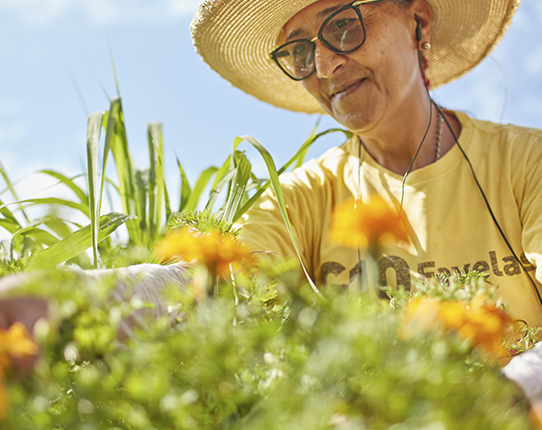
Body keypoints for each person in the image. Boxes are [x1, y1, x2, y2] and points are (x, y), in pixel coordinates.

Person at [190, 0, 542, 328]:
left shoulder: (526, 161)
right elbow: (217, 275)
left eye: (343, 26)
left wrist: (518, 384)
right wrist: (143, 289)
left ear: (418, 22)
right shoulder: (299, 199)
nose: (325, 66)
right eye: (301, 52)